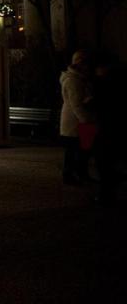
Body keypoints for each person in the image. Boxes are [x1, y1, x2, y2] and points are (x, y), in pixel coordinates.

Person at [60, 50, 94, 186]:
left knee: (77, 151)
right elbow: (76, 105)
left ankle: (77, 174)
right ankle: (73, 175)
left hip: (76, 122)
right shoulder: (73, 80)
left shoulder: (77, 79)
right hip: (77, 122)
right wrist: (87, 121)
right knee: (76, 151)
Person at [92, 53, 119, 205]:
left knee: (104, 161)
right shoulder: (115, 81)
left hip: (105, 126)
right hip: (112, 126)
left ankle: (106, 192)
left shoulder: (102, 83)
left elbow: (99, 104)